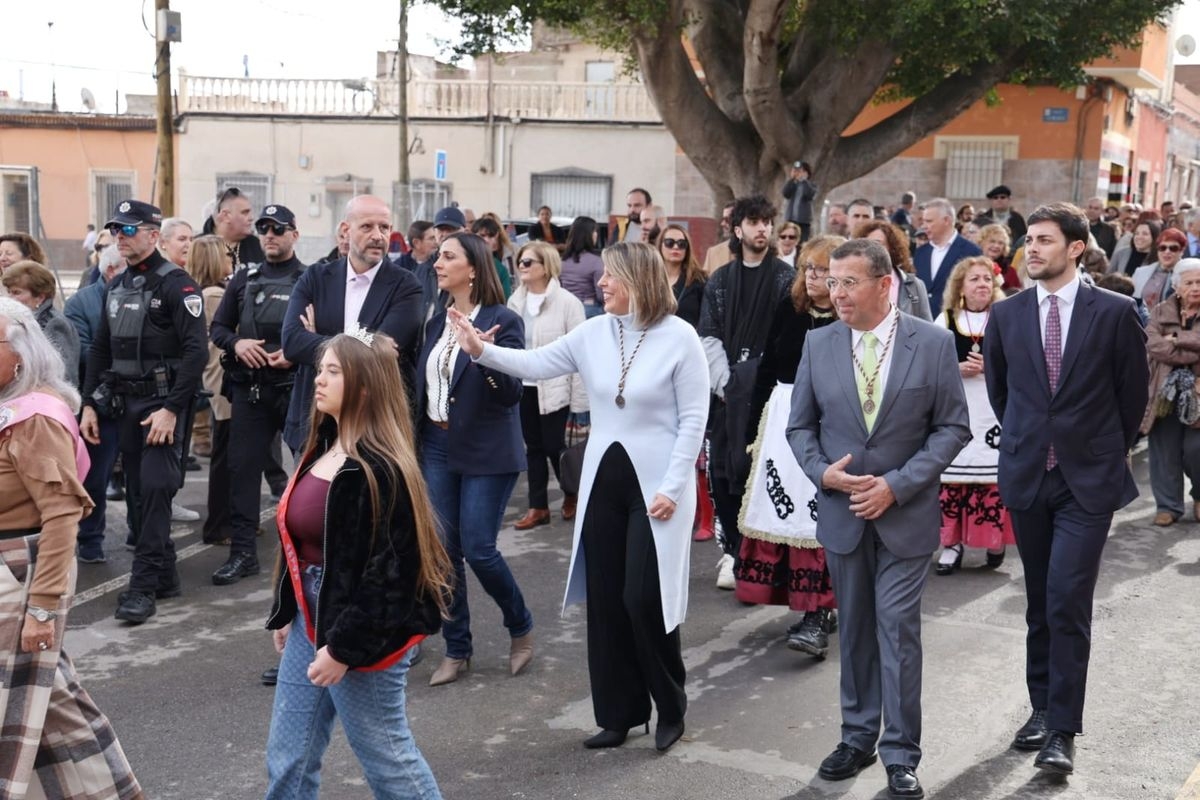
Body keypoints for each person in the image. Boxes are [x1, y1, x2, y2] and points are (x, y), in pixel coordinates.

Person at [451, 241, 708, 752]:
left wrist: (674, 487)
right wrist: (481, 351)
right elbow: (535, 364)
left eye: (611, 276)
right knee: (608, 601)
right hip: (602, 485)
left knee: (644, 598)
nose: (601, 283)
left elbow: (694, 420)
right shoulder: (593, 331)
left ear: (640, 278)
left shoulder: (681, 338)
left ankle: (670, 706)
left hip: (658, 489)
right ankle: (620, 714)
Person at [788, 238, 970, 799]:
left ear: (884, 284)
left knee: (896, 630)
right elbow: (800, 428)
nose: (835, 292)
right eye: (830, 281)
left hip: (905, 516)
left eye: (848, 282)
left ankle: (900, 753)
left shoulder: (934, 343)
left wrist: (897, 485)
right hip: (843, 514)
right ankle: (857, 737)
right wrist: (825, 475)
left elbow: (952, 428)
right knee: (858, 632)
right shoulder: (818, 344)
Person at [983, 202, 1148, 777]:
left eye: (1045, 240)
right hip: (1030, 475)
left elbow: (1132, 397)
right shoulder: (1007, 316)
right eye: (1029, 239)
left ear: (1076, 248)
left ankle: (1062, 730)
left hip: (1088, 481)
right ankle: (1039, 706)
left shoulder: (1116, 311)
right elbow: (1005, 397)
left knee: (1067, 600)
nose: (1032, 249)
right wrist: (1034, 442)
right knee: (1038, 601)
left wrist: (1102, 450)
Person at [263, 330, 451, 800]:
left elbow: (393, 574)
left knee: (387, 760)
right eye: (319, 368)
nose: (318, 380)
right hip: (312, 621)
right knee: (288, 760)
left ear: (364, 387)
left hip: (361, 630)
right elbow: (300, 543)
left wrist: (343, 647)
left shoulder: (382, 467)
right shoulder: (322, 450)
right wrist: (288, 610)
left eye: (333, 371)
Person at [0, 298, 144, 798]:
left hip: (21, 578)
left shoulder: (33, 416)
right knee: (44, 700)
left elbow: (63, 515)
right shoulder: (9, 403)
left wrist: (41, 608)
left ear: (20, 353)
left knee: (24, 701)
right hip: (11, 576)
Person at [80, 200, 208, 625]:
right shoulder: (117, 286)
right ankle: (166, 574)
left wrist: (172, 409)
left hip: (163, 404)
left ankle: (143, 584)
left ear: (154, 235)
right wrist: (89, 405)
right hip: (125, 404)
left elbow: (195, 352)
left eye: (130, 230)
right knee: (137, 493)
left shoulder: (177, 285)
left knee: (154, 488)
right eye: (117, 230)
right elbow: (100, 349)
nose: (121, 236)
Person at [415, 231, 533, 687]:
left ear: (473, 267)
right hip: (436, 446)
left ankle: (519, 624)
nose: (437, 263)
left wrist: (482, 354)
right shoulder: (434, 322)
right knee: (444, 554)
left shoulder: (504, 320)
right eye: (438, 256)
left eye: (448, 257)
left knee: (479, 550)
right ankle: (457, 647)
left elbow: (512, 394)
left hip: (487, 449)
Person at [737, 235, 842, 655]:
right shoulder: (789, 309)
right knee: (784, 512)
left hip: (829, 420)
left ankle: (818, 613)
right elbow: (766, 370)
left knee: (817, 517)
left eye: (823, 270)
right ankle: (804, 606)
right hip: (782, 418)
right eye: (808, 269)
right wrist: (751, 434)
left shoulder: (850, 318)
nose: (813, 277)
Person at [698, 195, 796, 591]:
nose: (763, 230)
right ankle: (732, 553)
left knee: (766, 474)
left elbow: (791, 336)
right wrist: (726, 384)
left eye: (767, 222)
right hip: (727, 396)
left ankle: (768, 559)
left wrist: (763, 384)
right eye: (754, 222)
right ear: (737, 230)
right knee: (725, 474)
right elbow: (708, 334)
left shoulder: (786, 279)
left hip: (772, 396)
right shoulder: (720, 280)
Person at [281, 195, 424, 453]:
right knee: (310, 495)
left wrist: (320, 338)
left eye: (385, 227)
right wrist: (359, 341)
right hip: (314, 423)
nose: (379, 236)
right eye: (367, 226)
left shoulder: (406, 286)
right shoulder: (315, 277)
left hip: (374, 427)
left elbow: (382, 351)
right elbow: (292, 342)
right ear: (346, 230)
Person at [211, 204, 306, 584]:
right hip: (250, 389)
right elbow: (218, 327)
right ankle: (243, 553)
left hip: (294, 389)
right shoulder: (244, 278)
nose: (269, 234)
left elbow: (331, 331)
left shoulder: (310, 278)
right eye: (264, 228)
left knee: (309, 471)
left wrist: (295, 352)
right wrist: (236, 344)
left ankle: (308, 551)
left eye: (278, 229)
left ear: (294, 235)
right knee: (243, 471)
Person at [933, 256, 1015, 574]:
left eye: (986, 279)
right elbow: (930, 367)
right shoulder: (945, 320)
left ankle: (993, 539)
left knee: (991, 481)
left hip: (993, 412)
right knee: (952, 483)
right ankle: (951, 545)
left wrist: (991, 369)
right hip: (958, 410)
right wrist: (956, 369)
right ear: (961, 287)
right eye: (974, 279)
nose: (981, 284)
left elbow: (1022, 363)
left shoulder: (1005, 319)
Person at [507, 240, 587, 529]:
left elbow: (580, 355)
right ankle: (537, 506)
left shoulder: (567, 302)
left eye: (529, 262)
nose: (522, 267)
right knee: (533, 448)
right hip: (524, 386)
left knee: (555, 446)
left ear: (546, 266)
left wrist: (580, 401)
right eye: (520, 262)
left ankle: (571, 492)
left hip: (555, 387)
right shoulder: (515, 301)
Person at [65, 245, 127, 563]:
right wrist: (128, 362)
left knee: (144, 477)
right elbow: (85, 354)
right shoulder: (81, 302)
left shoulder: (139, 295)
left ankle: (140, 532)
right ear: (112, 270)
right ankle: (90, 539)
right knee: (95, 476)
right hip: (100, 402)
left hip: (138, 399)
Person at [1140, 258, 1200, 527]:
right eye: (1189, 282)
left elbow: (1167, 346)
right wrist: (1188, 348)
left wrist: (1175, 339)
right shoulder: (1161, 311)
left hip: (1198, 392)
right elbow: (1154, 346)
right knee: (1163, 449)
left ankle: (1199, 496)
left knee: (1195, 449)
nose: (1195, 288)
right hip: (1164, 391)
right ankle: (1168, 505)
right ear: (1177, 286)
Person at [2, 261, 80, 385]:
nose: (10, 298)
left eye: (17, 292)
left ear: (40, 297)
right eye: (9, 292)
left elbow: (65, 375)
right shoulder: (19, 322)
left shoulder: (54, 324)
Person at [915, 197, 983, 317]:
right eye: (923, 221)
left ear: (946, 220)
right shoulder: (921, 253)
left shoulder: (971, 252)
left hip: (955, 322)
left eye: (929, 221)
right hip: (922, 325)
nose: (924, 226)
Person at [856, 220, 933, 321]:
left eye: (877, 244)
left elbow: (927, 328)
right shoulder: (853, 282)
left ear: (892, 248)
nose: (871, 250)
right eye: (866, 245)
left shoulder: (914, 286)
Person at [657, 224, 706, 328]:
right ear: (660, 245)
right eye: (669, 243)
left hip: (686, 341)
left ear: (687, 248)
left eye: (681, 244)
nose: (676, 247)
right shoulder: (648, 279)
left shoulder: (700, 280)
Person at [1133, 227, 1187, 313]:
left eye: (1173, 248)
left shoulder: (1188, 274)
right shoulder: (1141, 272)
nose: (1167, 252)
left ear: (1182, 251)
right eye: (1162, 248)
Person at [560, 216, 605, 317]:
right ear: (589, 235)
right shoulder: (597, 262)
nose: (596, 235)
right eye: (595, 231)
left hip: (566, 309)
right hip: (589, 310)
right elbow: (602, 296)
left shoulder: (562, 261)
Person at [211, 186, 266, 267]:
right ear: (226, 215)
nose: (251, 218)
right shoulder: (201, 248)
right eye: (245, 213)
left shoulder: (257, 246)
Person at [471, 216, 514, 297]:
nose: (486, 240)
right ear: (473, 236)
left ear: (496, 237)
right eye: (482, 235)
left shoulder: (500, 269)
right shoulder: (463, 261)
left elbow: (505, 300)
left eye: (491, 236)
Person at [978, 223, 1022, 293]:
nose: (996, 246)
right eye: (992, 241)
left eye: (1000, 243)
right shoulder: (970, 265)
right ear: (981, 242)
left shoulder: (1010, 272)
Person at [782, 161, 816, 242]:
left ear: (807, 173)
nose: (799, 173)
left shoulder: (811, 185)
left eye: (801, 171)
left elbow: (810, 194)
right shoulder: (793, 184)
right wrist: (792, 179)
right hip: (791, 220)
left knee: (802, 242)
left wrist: (804, 181)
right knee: (790, 240)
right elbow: (785, 193)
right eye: (796, 170)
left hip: (803, 221)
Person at [702, 201, 736, 275]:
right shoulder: (713, 253)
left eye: (727, 220)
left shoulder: (758, 251)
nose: (722, 224)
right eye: (722, 219)